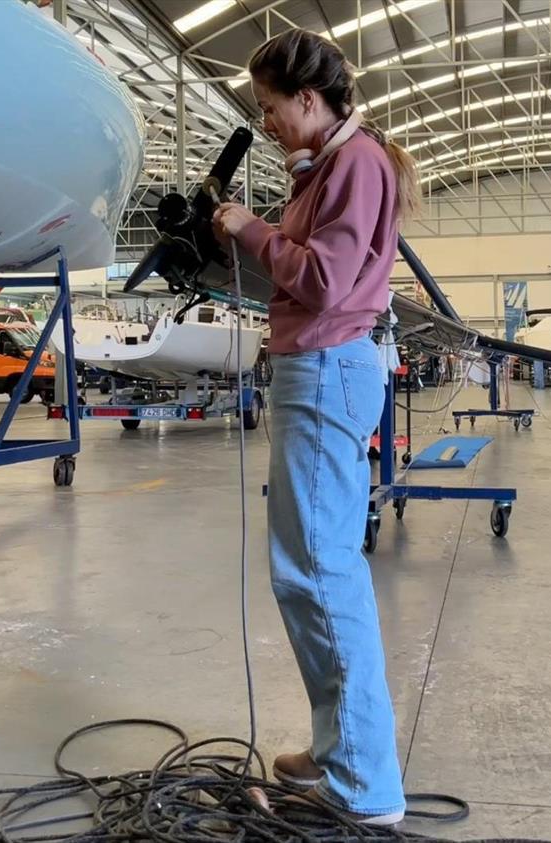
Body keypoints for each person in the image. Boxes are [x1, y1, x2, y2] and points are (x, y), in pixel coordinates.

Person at [212, 27, 419, 827]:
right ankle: (342, 752)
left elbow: (327, 280)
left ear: (309, 98)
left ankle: (364, 783)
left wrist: (251, 231)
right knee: (307, 570)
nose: (265, 122)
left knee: (321, 573)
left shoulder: (357, 164)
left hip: (328, 368)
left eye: (270, 108)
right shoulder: (328, 168)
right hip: (319, 370)